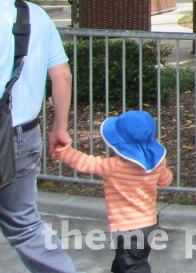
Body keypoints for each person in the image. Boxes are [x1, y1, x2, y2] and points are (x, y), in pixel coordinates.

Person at [0, 0, 77, 273]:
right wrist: (60, 127)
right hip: (21, 136)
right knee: (26, 225)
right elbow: (61, 74)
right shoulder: (32, 15)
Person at [52, 110, 173, 273]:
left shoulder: (112, 166)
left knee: (133, 266)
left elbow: (85, 162)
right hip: (149, 225)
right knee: (126, 262)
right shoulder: (156, 164)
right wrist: (162, 167)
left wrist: (64, 152)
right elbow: (165, 181)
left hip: (127, 228)